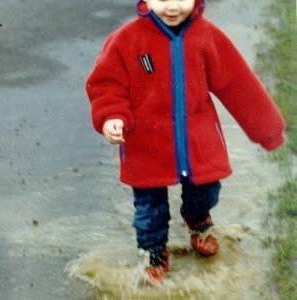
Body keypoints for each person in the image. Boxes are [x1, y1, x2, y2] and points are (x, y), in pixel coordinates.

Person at [86, 0, 285, 284]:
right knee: (148, 211)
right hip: (145, 144)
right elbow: (106, 85)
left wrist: (268, 131)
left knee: (205, 191)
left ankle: (198, 219)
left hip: (197, 142)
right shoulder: (126, 39)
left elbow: (239, 84)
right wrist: (111, 116)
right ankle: (153, 255)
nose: (172, 6)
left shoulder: (206, 35)